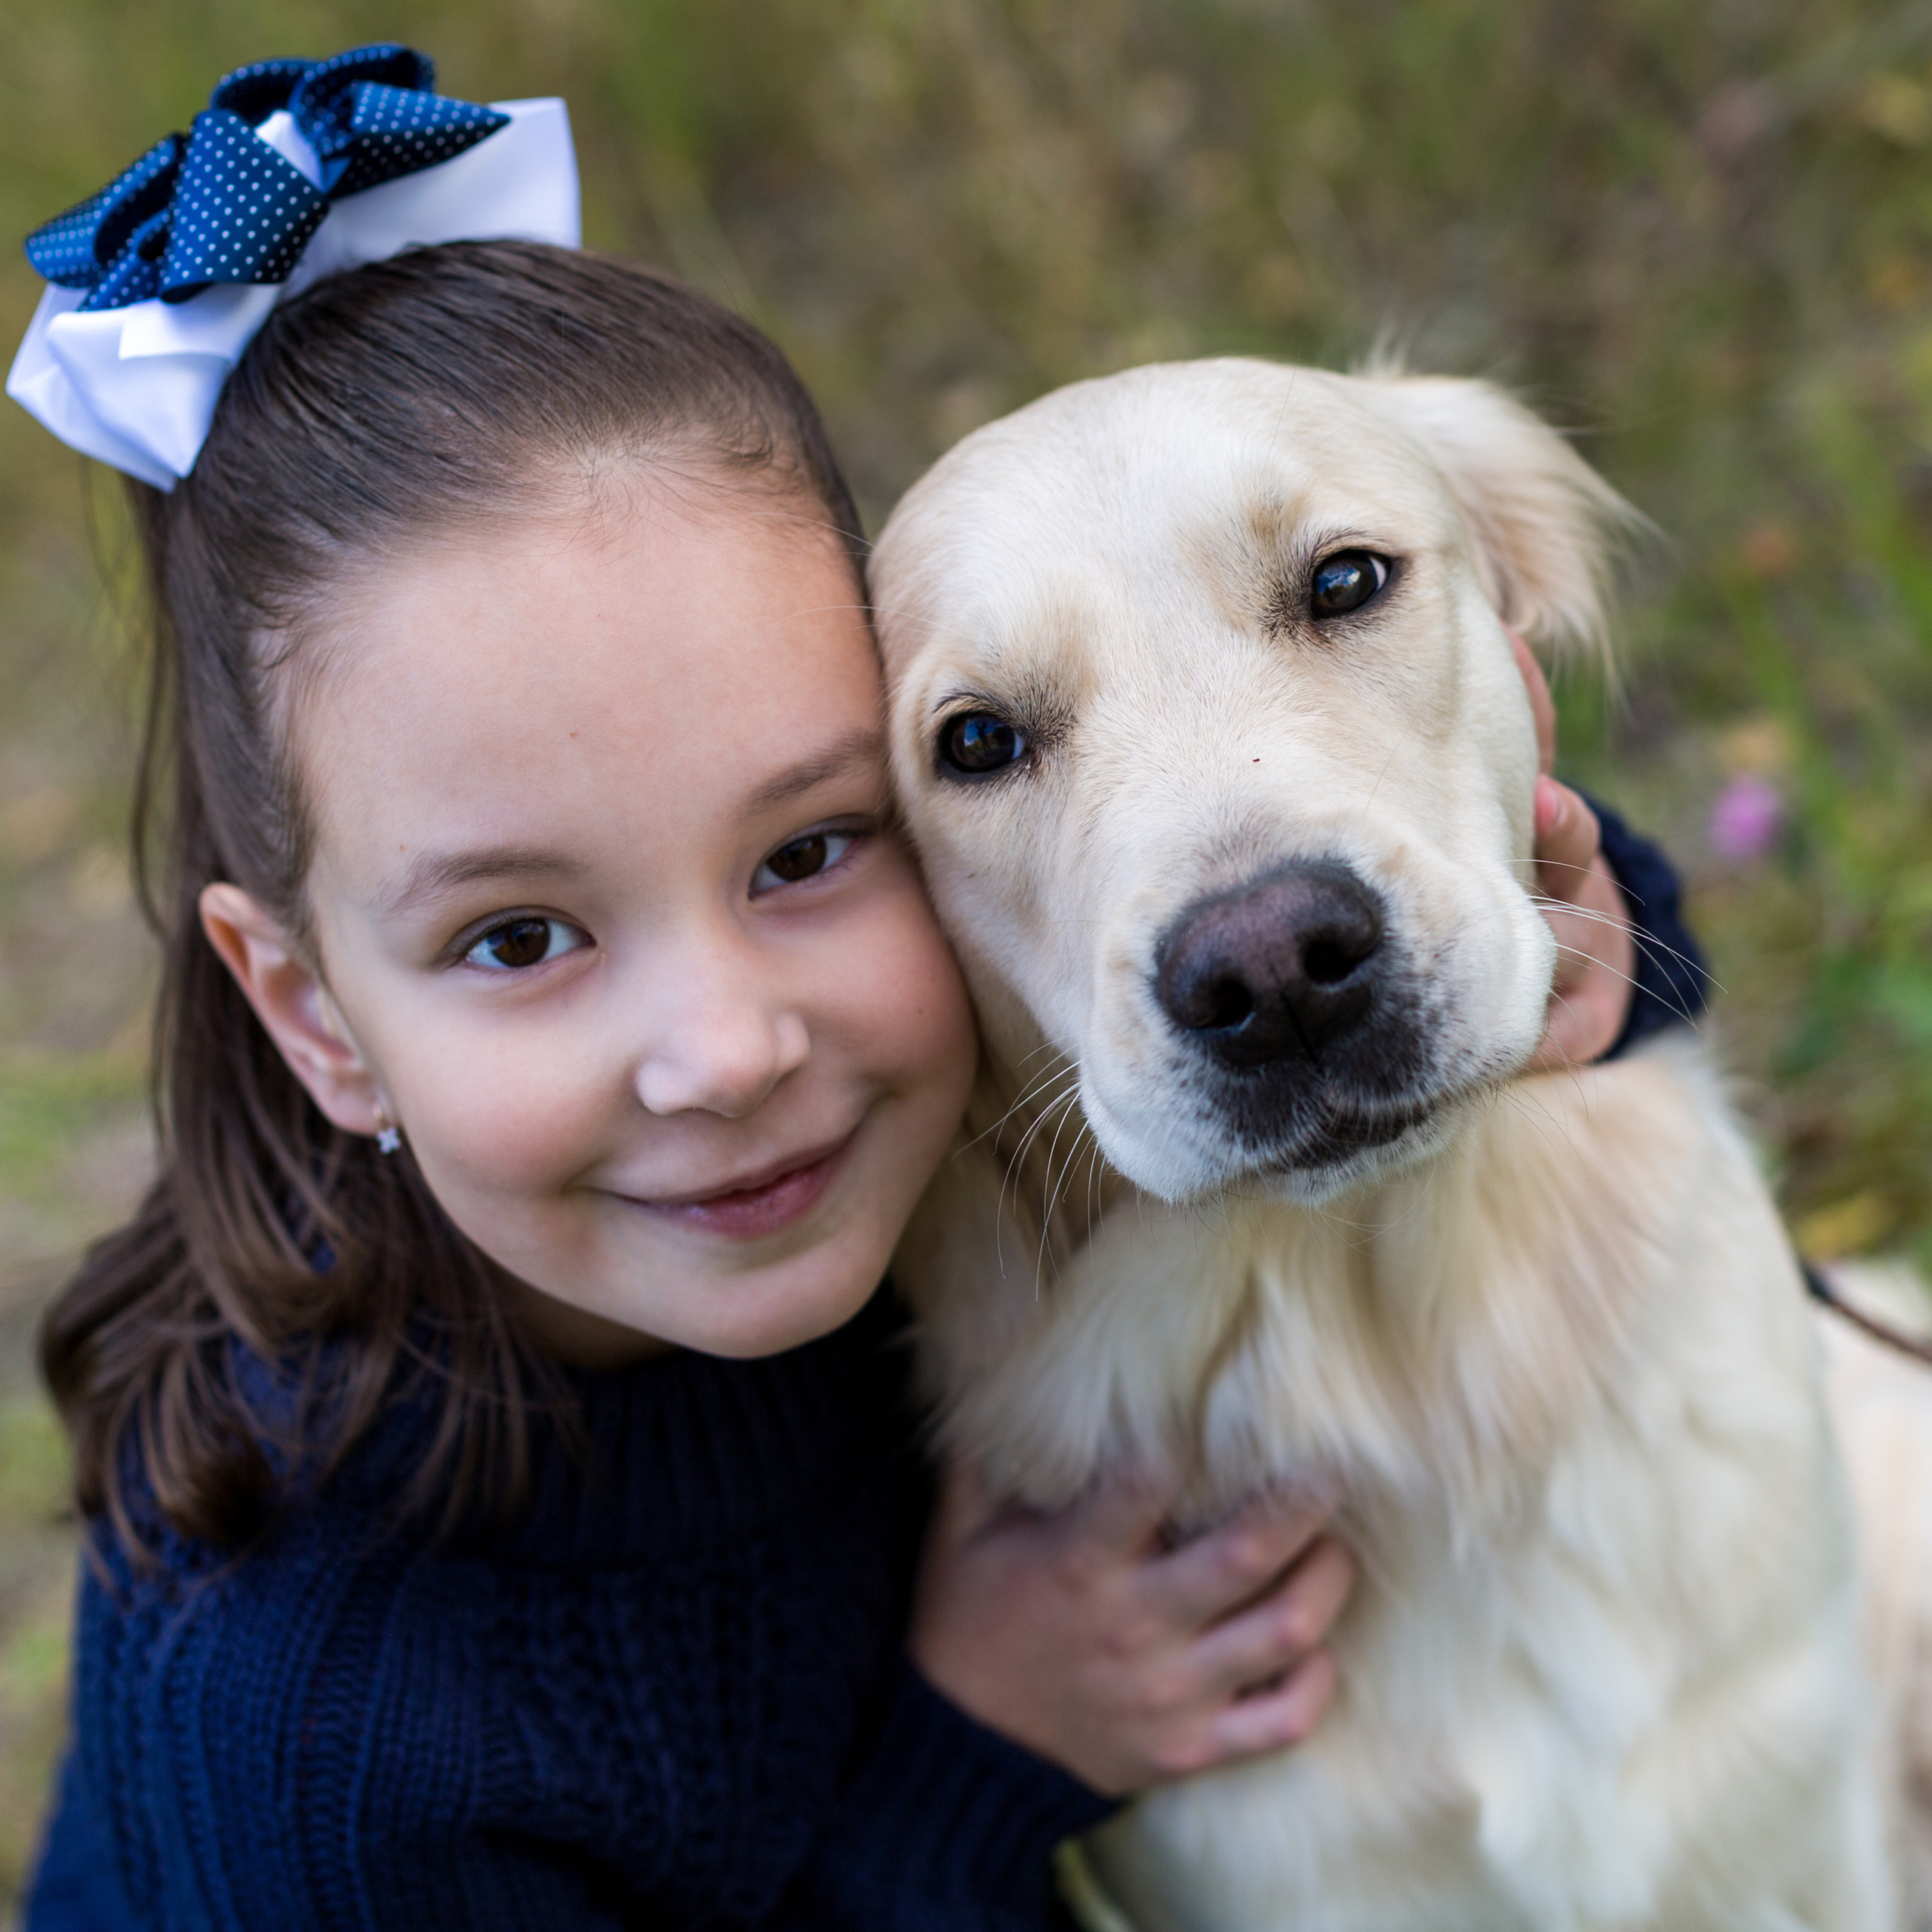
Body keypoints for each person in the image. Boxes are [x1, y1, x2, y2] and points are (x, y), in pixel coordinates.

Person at [10, 46, 1705, 1931]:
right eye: (517, 936)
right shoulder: (312, 1742)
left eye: (806, 848)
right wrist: (966, 1752)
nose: (732, 1052)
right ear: (315, 1012)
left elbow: (1185, 886)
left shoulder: (845, 1169)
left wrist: (1570, 922)